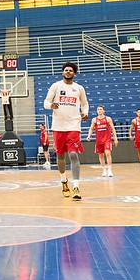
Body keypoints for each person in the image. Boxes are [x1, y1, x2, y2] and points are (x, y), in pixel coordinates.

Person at [43, 62, 89, 201]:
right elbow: (45, 102)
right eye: (66, 70)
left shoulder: (79, 88)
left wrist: (85, 112)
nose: (68, 72)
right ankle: (64, 181)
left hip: (74, 125)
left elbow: (84, 103)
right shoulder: (56, 86)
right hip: (58, 126)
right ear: (63, 72)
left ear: (74, 73)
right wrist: (51, 105)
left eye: (70, 70)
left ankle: (76, 187)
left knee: (73, 154)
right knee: (60, 156)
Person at [86, 105, 119, 177]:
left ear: (103, 111)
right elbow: (91, 129)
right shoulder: (94, 120)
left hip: (107, 139)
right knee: (100, 155)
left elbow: (113, 128)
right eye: (98, 109)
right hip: (99, 140)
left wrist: (115, 138)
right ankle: (104, 170)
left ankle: (110, 170)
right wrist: (89, 136)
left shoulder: (108, 119)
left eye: (101, 109)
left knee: (107, 153)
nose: (99, 111)